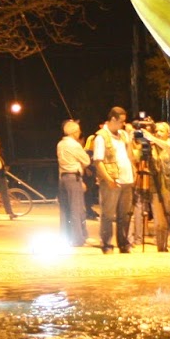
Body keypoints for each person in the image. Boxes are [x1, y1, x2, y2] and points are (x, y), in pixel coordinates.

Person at [92, 107, 135, 254]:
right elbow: (98, 161)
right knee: (108, 215)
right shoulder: (101, 137)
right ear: (113, 120)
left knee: (125, 215)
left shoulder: (123, 135)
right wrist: (108, 179)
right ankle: (107, 244)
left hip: (127, 180)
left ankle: (123, 243)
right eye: (121, 121)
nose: (123, 124)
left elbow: (130, 156)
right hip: (112, 180)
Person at [142, 121, 170, 252]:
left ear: (168, 133)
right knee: (160, 221)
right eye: (156, 130)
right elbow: (139, 158)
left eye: (161, 131)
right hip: (157, 187)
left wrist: (153, 139)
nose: (158, 133)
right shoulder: (152, 147)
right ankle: (161, 248)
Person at [56, 119, 90, 247]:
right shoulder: (75, 145)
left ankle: (65, 237)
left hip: (63, 177)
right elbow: (86, 160)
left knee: (65, 209)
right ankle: (78, 239)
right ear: (75, 132)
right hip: (73, 177)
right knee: (76, 209)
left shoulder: (60, 144)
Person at [0, 134, 17, 220]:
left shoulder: (1, 152)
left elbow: (5, 162)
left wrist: (6, 168)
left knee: (5, 194)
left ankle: (10, 213)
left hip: (1, 175)